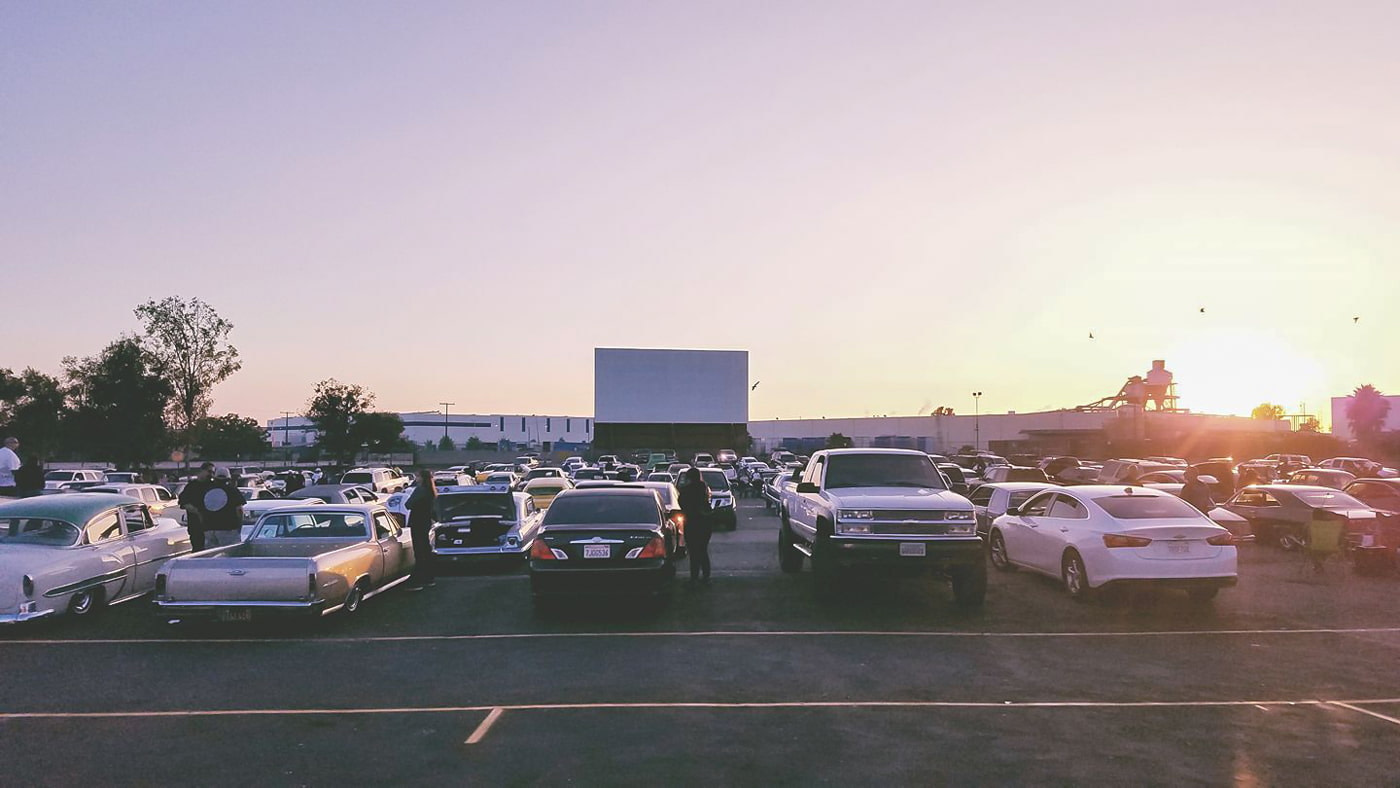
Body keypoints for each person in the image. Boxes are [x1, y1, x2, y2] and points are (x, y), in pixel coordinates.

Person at [678, 467, 713, 583]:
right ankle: (706, 575)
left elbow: (681, 504)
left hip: (692, 522)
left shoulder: (686, 491)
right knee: (703, 549)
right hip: (705, 523)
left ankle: (694, 576)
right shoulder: (704, 489)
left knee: (693, 551)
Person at [405, 469, 437, 590]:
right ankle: (429, 577)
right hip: (425, 522)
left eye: (417, 476)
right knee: (425, 549)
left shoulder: (420, 490)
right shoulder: (431, 491)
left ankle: (418, 579)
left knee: (419, 551)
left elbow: (407, 504)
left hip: (417, 522)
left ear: (422, 478)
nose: (416, 478)